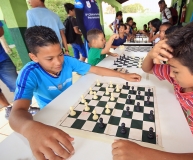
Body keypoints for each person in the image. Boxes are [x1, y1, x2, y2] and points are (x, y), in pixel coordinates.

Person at [112, 19, 193, 160]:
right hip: (167, 125)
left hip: (186, 146)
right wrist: (151, 53)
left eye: (176, 71)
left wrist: (143, 155)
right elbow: (147, 69)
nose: (171, 74)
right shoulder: (182, 77)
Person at [9, 26, 141, 160]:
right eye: (50, 59)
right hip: (51, 115)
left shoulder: (67, 60)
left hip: (74, 104)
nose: (58, 62)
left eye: (60, 54)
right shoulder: (29, 73)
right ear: (34, 57)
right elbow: (16, 113)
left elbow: (94, 69)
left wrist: (122, 75)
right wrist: (29, 128)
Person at [0, 21, 18, 117]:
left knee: (16, 83)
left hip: (2, 58)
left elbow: (1, 31)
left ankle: (24, 107)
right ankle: (8, 108)